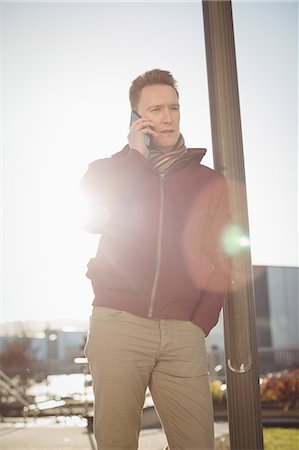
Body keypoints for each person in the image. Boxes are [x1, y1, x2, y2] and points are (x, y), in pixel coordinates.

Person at [81, 69, 231, 450]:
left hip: (182, 332)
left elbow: (223, 255)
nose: (167, 117)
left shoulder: (208, 182)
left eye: (174, 108)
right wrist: (135, 157)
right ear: (136, 117)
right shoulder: (106, 171)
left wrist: (200, 322)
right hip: (118, 325)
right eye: (156, 109)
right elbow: (91, 220)